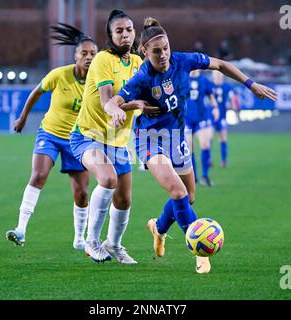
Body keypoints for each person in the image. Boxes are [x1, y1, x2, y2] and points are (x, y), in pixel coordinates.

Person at [104, 18, 276, 273]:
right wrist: (117, 109)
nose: (163, 55)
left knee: (189, 196)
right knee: (178, 192)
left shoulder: (182, 60)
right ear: (144, 52)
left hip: (178, 137)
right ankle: (199, 251)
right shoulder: (142, 78)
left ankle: (159, 227)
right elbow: (112, 101)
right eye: (156, 51)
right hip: (150, 139)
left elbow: (220, 65)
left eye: (166, 48)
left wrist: (250, 85)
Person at [70, 9, 160, 264]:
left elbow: (144, 98)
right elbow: (107, 99)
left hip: (117, 140)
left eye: (129, 30)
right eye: (119, 30)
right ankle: (92, 241)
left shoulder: (137, 63)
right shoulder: (102, 59)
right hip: (88, 135)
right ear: (110, 35)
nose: (125, 34)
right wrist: (124, 108)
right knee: (107, 179)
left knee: (123, 199)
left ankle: (114, 245)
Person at [5, 24, 98, 249]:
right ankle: (21, 229)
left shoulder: (98, 82)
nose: (88, 57)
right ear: (75, 55)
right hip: (50, 133)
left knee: (82, 192)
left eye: (92, 54)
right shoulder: (60, 75)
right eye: (83, 53)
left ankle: (79, 239)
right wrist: (23, 118)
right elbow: (36, 92)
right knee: (38, 175)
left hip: (78, 140)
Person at [185, 69, 219, 186]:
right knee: (189, 149)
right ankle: (194, 178)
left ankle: (205, 176)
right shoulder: (183, 78)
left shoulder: (204, 80)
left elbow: (211, 95)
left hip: (201, 117)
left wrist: (215, 107)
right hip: (186, 118)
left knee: (205, 144)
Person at [210, 70, 239, 168]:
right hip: (210, 116)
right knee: (208, 138)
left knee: (223, 138)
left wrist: (234, 107)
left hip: (222, 116)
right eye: (216, 75)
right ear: (213, 76)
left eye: (219, 74)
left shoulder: (227, 86)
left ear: (222, 76)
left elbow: (233, 98)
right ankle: (208, 159)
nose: (218, 76)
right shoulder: (210, 85)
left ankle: (223, 161)